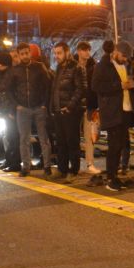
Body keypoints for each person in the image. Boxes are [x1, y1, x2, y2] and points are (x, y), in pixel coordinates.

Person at [90, 40, 134, 191]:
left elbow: (127, 84)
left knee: (121, 145)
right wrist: (118, 86)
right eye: (123, 56)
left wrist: (132, 85)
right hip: (111, 111)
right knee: (114, 145)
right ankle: (110, 178)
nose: (124, 59)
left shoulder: (125, 66)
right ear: (115, 51)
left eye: (126, 58)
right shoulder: (103, 65)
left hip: (125, 110)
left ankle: (115, 176)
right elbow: (95, 86)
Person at [8, 42, 53, 177]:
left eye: (27, 53)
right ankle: (26, 167)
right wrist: (17, 105)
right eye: (22, 54)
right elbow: (10, 90)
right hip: (23, 109)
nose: (25, 56)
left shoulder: (39, 67)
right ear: (19, 55)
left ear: (30, 53)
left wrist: (45, 104)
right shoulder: (15, 70)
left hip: (39, 107)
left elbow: (48, 85)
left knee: (43, 138)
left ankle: (47, 166)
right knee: (24, 139)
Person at [50, 41, 86, 181]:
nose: (56, 56)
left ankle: (74, 171)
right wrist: (53, 107)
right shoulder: (59, 67)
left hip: (71, 112)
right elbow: (55, 89)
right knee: (61, 142)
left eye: (59, 53)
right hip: (59, 111)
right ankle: (62, 169)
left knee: (72, 142)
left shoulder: (76, 67)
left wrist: (70, 106)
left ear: (67, 52)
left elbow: (80, 89)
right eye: (55, 53)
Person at [0, 51, 21, 172]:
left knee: (13, 137)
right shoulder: (2, 74)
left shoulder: (10, 74)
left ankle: (14, 163)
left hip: (10, 111)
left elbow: (12, 94)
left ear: (4, 63)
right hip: (5, 110)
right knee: (9, 137)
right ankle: (9, 160)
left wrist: (11, 110)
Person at [76, 41, 101, 175]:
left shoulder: (94, 67)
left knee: (89, 135)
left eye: (88, 50)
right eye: (84, 50)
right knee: (73, 135)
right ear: (79, 51)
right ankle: (74, 164)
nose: (87, 53)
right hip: (75, 105)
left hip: (90, 106)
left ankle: (90, 163)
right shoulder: (73, 66)